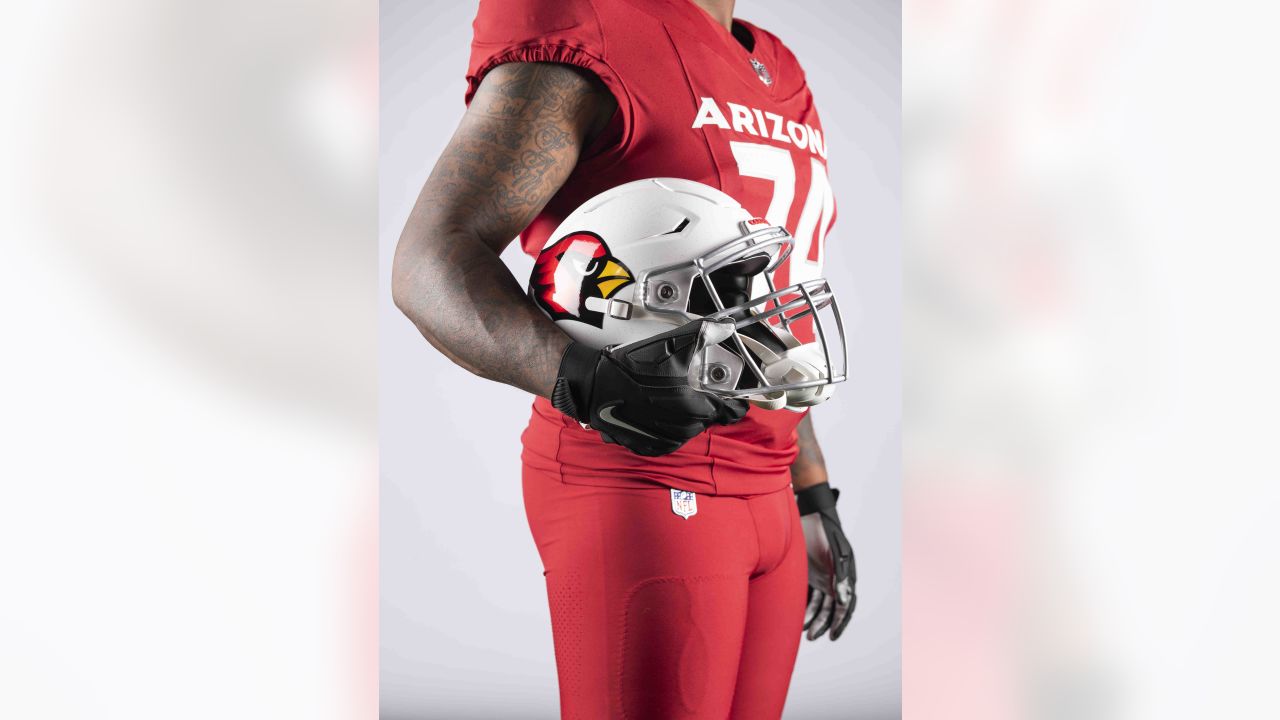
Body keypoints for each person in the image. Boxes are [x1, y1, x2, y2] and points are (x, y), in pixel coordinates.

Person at [391, 0, 856, 716]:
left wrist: (811, 486)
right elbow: (429, 263)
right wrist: (585, 382)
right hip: (639, 476)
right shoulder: (593, 19)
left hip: (768, 487)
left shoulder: (775, 62)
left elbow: (760, 309)